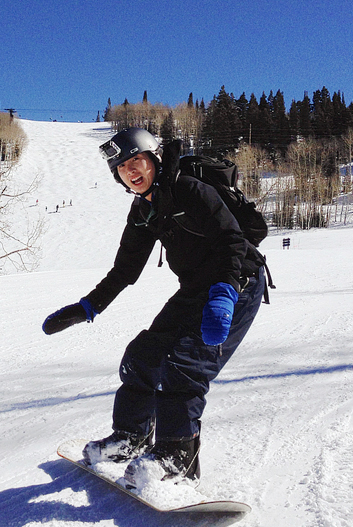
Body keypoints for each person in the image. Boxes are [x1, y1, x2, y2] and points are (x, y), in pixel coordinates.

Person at [42, 128, 266, 486]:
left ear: (154, 159)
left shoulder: (190, 190)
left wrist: (224, 292)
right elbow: (125, 270)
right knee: (142, 355)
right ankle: (130, 437)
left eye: (136, 161)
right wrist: (87, 306)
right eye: (122, 167)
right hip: (194, 290)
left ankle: (175, 459)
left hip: (238, 284)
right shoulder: (143, 209)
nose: (131, 171)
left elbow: (231, 241)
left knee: (186, 366)